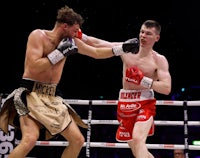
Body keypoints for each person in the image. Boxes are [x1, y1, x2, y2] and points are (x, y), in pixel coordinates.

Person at [0, 5, 139, 158]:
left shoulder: (71, 41)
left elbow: (96, 52)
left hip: (52, 97)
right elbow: (33, 67)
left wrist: (122, 48)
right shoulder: (38, 36)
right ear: (65, 26)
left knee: (77, 140)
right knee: (29, 139)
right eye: (75, 30)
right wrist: (58, 54)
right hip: (30, 94)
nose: (77, 34)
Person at [76, 20, 172, 158]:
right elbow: (99, 43)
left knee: (139, 139)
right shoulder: (127, 49)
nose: (143, 35)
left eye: (148, 33)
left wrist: (143, 80)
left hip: (145, 103)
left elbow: (166, 88)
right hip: (125, 103)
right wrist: (80, 35)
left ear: (157, 38)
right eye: (142, 32)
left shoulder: (159, 60)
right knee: (136, 147)